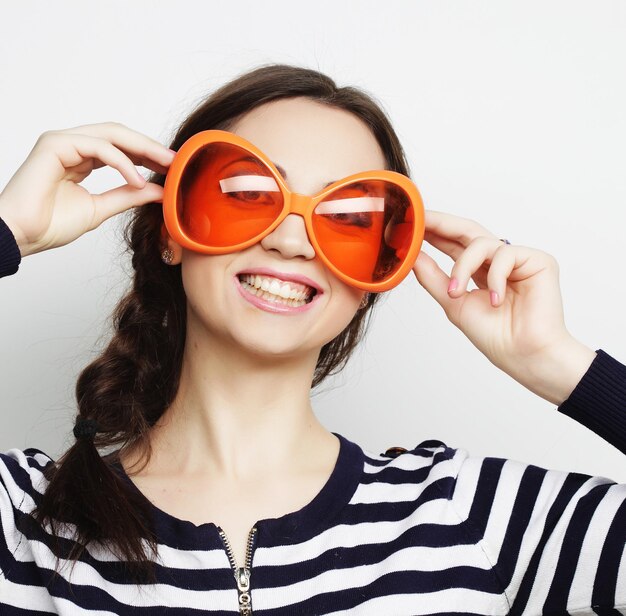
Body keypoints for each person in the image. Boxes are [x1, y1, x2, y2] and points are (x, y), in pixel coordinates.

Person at [0, 64, 624, 615]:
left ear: (378, 272)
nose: (293, 241)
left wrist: (557, 363)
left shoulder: (471, 517)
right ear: (172, 230)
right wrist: (9, 232)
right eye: (247, 194)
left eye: (349, 219)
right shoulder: (24, 519)